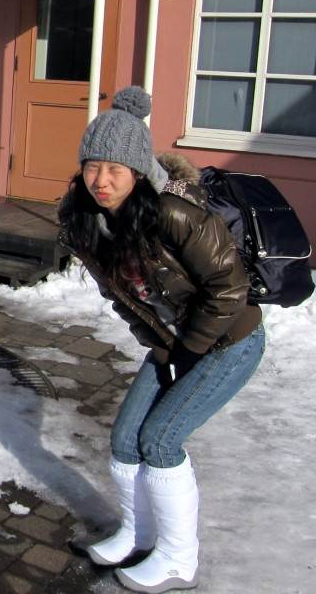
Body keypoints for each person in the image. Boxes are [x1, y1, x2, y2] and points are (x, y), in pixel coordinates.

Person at [59, 87, 264, 593]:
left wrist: (188, 353)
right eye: (92, 167)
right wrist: (162, 346)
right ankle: (137, 533)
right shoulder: (87, 222)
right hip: (175, 344)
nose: (101, 181)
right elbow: (122, 297)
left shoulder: (175, 213)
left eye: (115, 170)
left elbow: (229, 289)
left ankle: (177, 557)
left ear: (138, 172)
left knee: (161, 440)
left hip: (229, 341)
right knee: (126, 438)